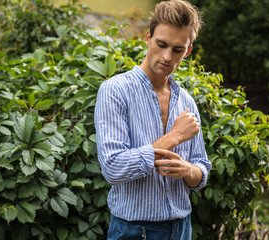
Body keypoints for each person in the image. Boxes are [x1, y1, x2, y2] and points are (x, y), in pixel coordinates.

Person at [94, 0, 212, 239]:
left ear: (187, 51)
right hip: (134, 231)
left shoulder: (187, 101)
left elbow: (202, 169)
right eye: (161, 44)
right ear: (148, 38)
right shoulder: (115, 90)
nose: (167, 56)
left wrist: (188, 170)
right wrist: (174, 137)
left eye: (178, 49)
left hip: (182, 229)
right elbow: (113, 168)